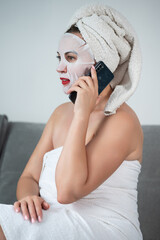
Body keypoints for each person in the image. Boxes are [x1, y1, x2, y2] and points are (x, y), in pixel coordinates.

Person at [0, 3, 143, 240]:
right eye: (59, 58)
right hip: (53, 219)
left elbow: (67, 191)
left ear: (101, 65)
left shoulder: (123, 121)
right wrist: (28, 198)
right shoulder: (59, 114)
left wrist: (81, 114)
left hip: (104, 227)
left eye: (70, 57)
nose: (59, 68)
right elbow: (29, 178)